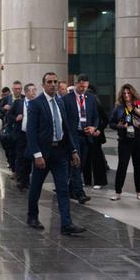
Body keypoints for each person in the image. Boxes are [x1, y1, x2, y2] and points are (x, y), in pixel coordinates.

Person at [25, 72, 86, 235]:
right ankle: (32, 217)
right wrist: (37, 154)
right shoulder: (36, 103)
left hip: (59, 152)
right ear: (43, 85)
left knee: (63, 189)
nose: (53, 84)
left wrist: (73, 150)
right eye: (49, 82)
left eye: (55, 81)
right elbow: (31, 131)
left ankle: (66, 224)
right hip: (43, 153)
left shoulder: (60, 102)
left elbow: (66, 128)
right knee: (36, 187)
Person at [110, 83, 140, 201]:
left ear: (132, 93)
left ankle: (139, 192)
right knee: (122, 165)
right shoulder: (119, 107)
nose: (126, 95)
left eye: (128, 93)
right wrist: (118, 125)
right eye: (124, 93)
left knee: (138, 165)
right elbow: (111, 123)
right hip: (125, 140)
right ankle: (117, 192)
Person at [63, 74, 101, 204]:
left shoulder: (90, 98)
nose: (83, 89)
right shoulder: (67, 99)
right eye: (81, 86)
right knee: (76, 163)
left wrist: (93, 127)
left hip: (86, 135)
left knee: (81, 164)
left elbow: (96, 116)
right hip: (73, 135)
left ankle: (70, 189)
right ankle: (80, 193)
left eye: (86, 87)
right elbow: (64, 119)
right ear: (76, 84)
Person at [12, 83, 39, 190]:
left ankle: (27, 180)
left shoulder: (38, 103)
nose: (33, 92)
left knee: (30, 158)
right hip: (21, 134)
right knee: (20, 157)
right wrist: (16, 118)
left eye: (35, 90)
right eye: (31, 90)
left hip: (33, 136)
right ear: (26, 92)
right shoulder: (19, 103)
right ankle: (20, 180)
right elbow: (9, 115)